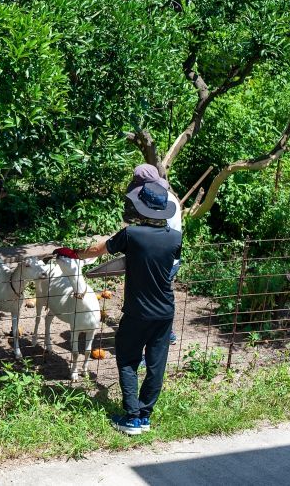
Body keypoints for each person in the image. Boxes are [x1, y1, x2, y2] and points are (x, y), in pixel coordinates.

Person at [77, 181, 181, 435]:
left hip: (137, 311)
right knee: (156, 364)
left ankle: (131, 418)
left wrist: (76, 254)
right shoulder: (175, 238)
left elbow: (99, 250)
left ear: (142, 208)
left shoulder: (132, 234)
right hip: (165, 311)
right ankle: (145, 416)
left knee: (127, 359)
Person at [127, 164, 182, 345]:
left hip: (161, 258)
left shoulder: (161, 202)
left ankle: (150, 345)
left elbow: (155, 234)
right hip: (170, 257)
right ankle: (168, 334)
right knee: (161, 296)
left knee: (151, 303)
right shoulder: (165, 197)